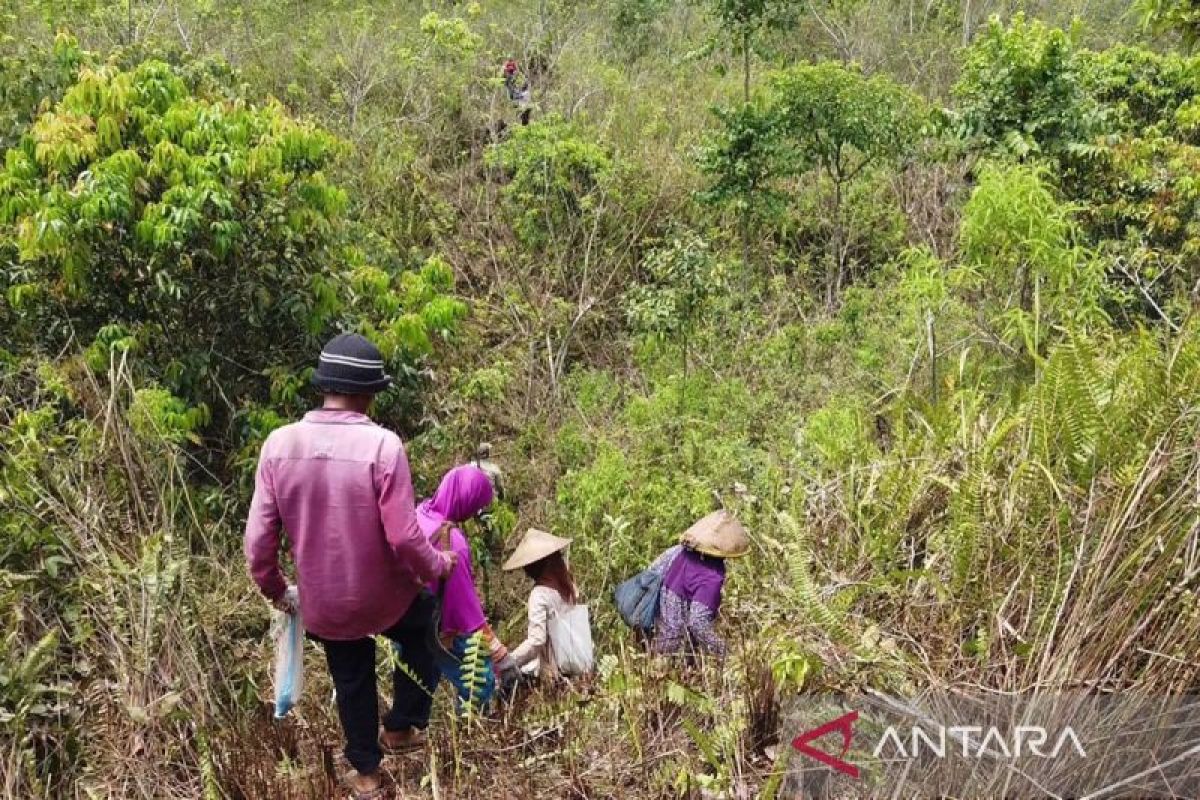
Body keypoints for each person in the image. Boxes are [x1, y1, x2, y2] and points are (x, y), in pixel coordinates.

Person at [244, 332, 456, 800]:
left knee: (351, 675)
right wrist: (438, 565)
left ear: (325, 387)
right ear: (368, 394)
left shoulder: (278, 445)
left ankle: (366, 774)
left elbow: (258, 540)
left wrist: (276, 589)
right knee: (425, 631)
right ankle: (401, 726)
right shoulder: (383, 447)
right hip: (385, 596)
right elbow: (403, 536)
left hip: (325, 603)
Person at [414, 464, 520, 711]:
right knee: (479, 684)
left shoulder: (419, 514)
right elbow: (467, 615)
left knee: (418, 686)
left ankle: (409, 734)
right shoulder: (453, 543)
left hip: (407, 621)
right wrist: (500, 655)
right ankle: (469, 736)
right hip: (437, 628)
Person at [647, 511, 749, 657]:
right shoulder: (711, 577)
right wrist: (726, 653)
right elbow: (698, 622)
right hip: (676, 650)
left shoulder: (677, 552)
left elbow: (652, 572)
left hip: (655, 630)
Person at [501, 528, 581, 681]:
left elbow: (536, 641)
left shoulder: (540, 594)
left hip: (556, 672)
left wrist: (509, 661)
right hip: (576, 662)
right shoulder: (568, 584)